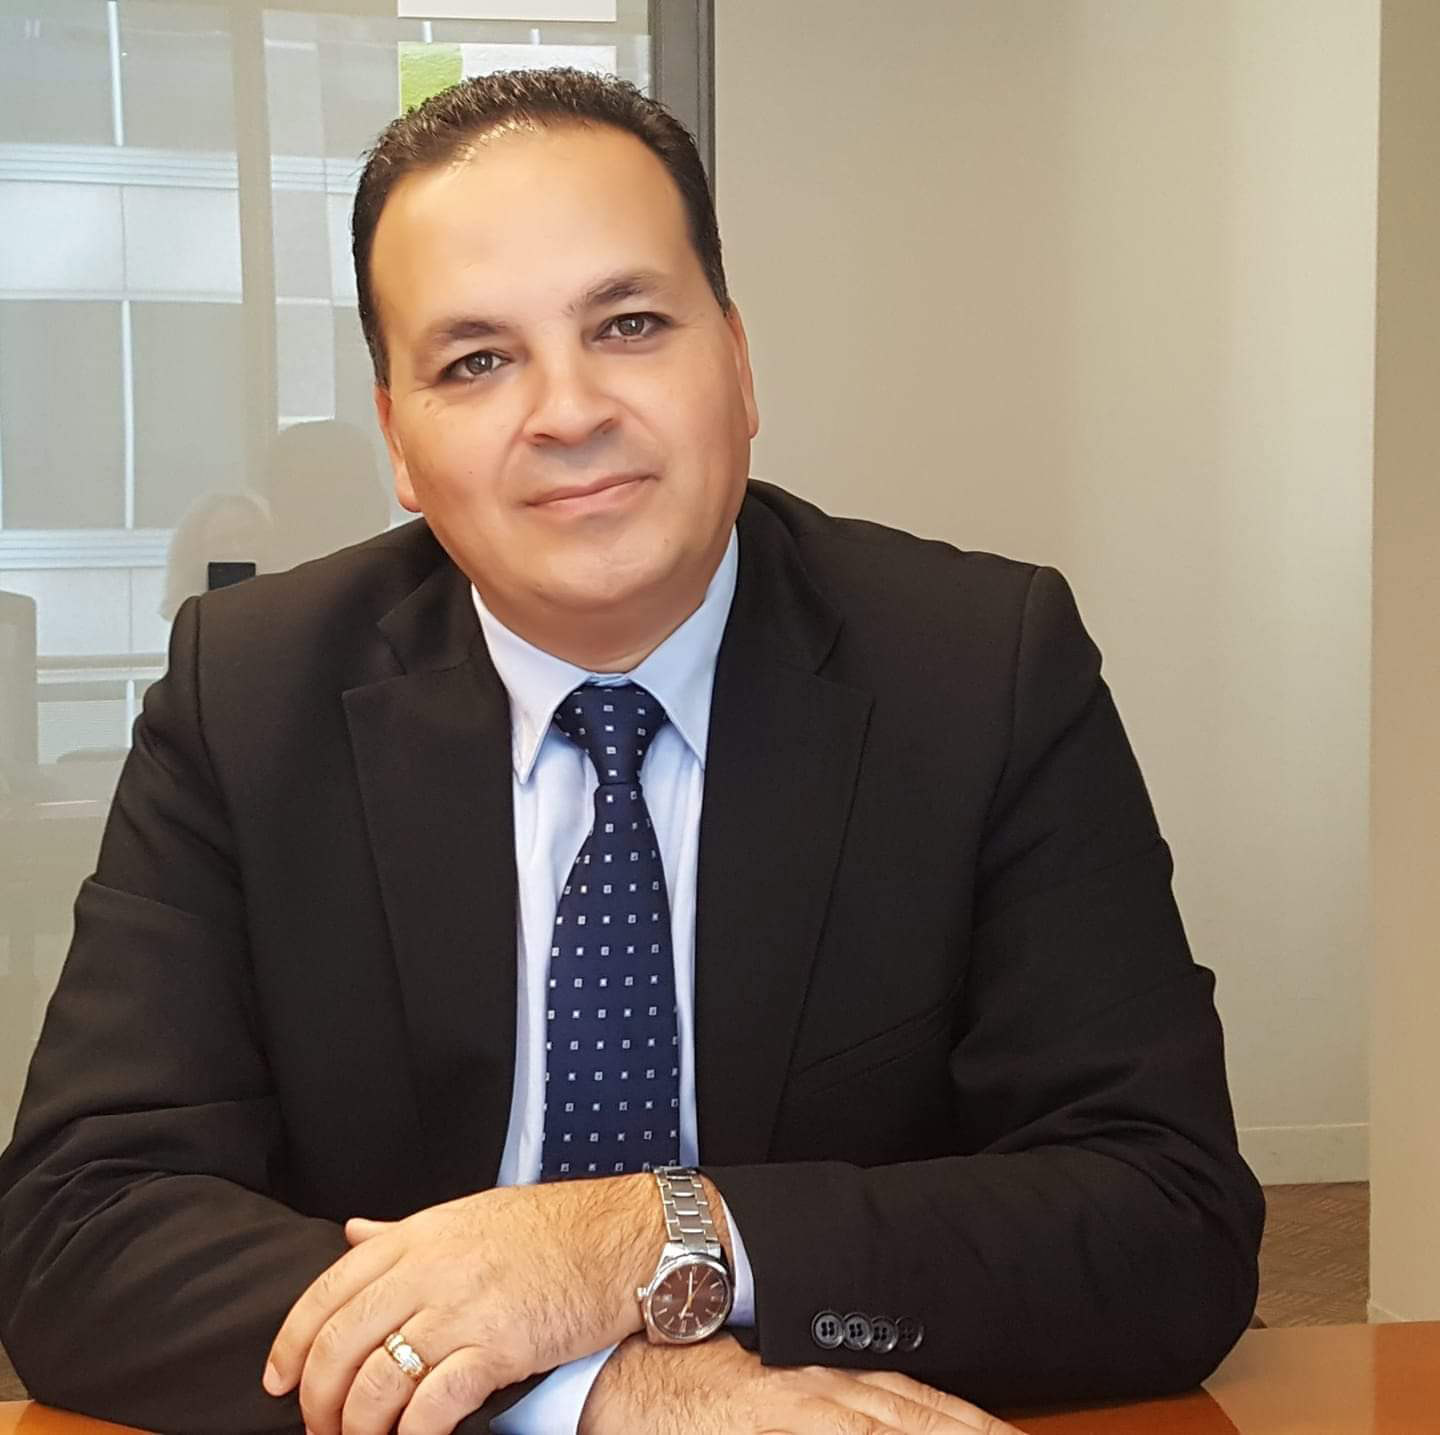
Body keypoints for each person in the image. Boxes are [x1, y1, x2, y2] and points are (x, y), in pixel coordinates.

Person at [0, 69, 1263, 1435]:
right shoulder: (250, 694)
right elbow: (79, 1228)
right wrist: (592, 1382)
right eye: (476, 361)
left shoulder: (979, 671)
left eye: (630, 324)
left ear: (739, 361)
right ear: (400, 443)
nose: (567, 411)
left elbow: (1166, 1219)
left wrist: (645, 1237)